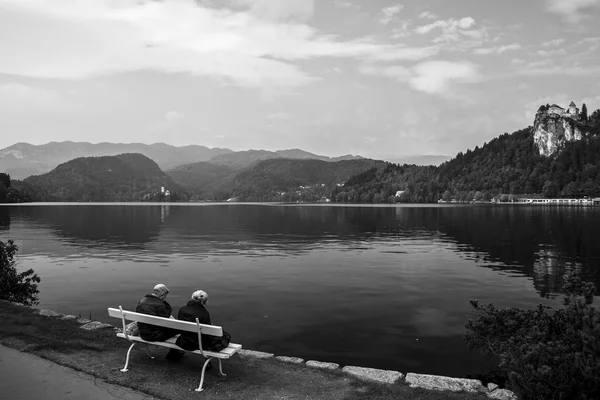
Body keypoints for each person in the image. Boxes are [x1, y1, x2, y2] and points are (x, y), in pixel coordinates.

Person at [136, 284, 183, 359]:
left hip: (143, 333)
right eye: (165, 296)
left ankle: (175, 352)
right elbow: (166, 320)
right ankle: (173, 353)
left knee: (173, 325)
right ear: (162, 295)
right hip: (155, 335)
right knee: (179, 328)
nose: (165, 298)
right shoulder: (160, 305)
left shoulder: (142, 301)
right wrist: (165, 303)